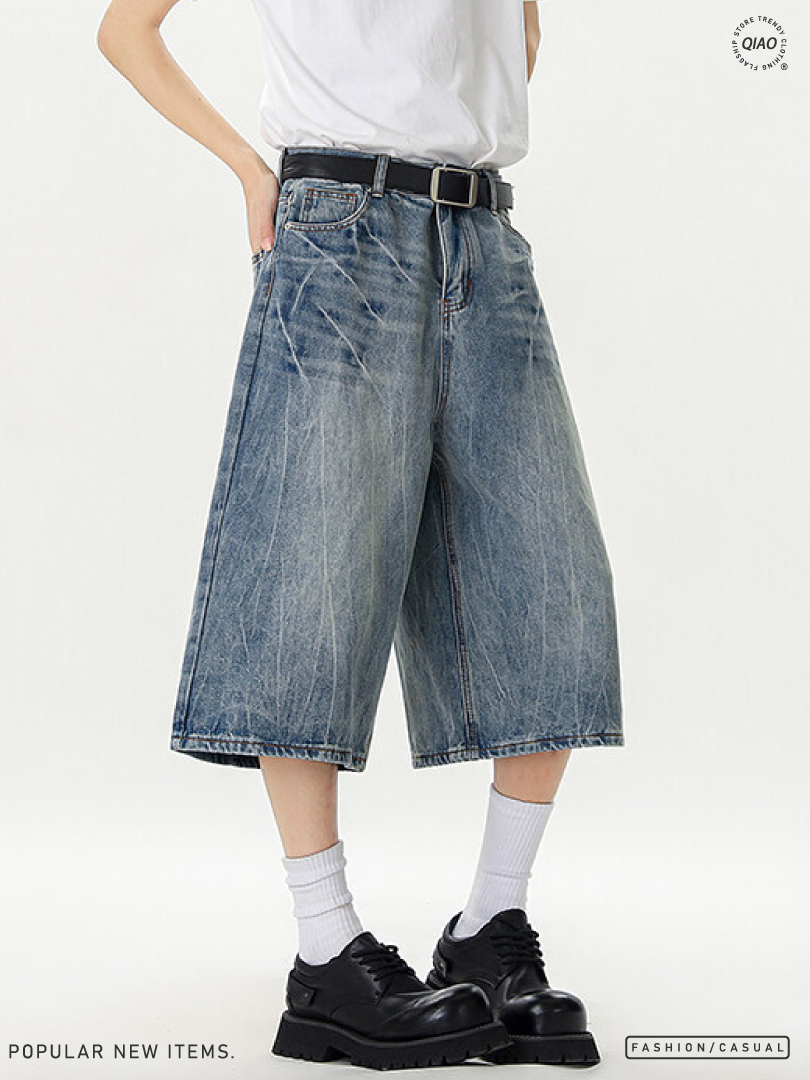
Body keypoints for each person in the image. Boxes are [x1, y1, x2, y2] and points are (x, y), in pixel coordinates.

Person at [98, 0, 624, 1069]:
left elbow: (516, 38)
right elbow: (125, 28)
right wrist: (251, 171)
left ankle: (489, 925)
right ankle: (325, 950)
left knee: (550, 583)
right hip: (339, 228)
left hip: (483, 236)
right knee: (313, 577)